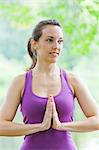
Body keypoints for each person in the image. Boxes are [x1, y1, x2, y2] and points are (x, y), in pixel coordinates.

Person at [0, 19, 99, 150]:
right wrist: (39, 126)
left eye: (60, 41)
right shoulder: (20, 81)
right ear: (34, 44)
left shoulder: (72, 80)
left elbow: (97, 119)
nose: (56, 46)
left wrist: (62, 126)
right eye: (49, 40)